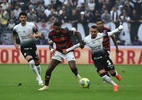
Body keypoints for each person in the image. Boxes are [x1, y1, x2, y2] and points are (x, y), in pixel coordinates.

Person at [62, 25, 123, 92]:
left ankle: (116, 74)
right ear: (90, 31)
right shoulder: (87, 39)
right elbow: (77, 45)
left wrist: (118, 29)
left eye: (94, 32)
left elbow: (110, 33)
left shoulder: (101, 35)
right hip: (96, 59)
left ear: (97, 32)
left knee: (112, 73)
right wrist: (67, 50)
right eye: (92, 31)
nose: (93, 33)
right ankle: (115, 85)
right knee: (103, 75)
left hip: (104, 56)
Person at [38, 22, 84, 91]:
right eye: (56, 29)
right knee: (49, 69)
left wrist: (81, 42)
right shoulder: (51, 34)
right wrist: (52, 49)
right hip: (59, 52)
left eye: (59, 29)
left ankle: (77, 75)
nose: (58, 31)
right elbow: (50, 45)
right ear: (53, 28)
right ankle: (46, 86)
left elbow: (78, 34)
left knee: (72, 67)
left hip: (69, 51)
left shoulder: (65, 32)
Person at [12, 12, 43, 86]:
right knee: (31, 62)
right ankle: (39, 78)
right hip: (24, 48)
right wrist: (15, 43)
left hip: (32, 47)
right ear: (19, 18)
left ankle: (38, 76)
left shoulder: (31, 25)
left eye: (24, 17)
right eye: (21, 17)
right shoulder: (16, 28)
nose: (23, 19)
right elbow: (13, 35)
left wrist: (34, 36)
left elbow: (40, 35)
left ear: (26, 18)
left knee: (37, 64)